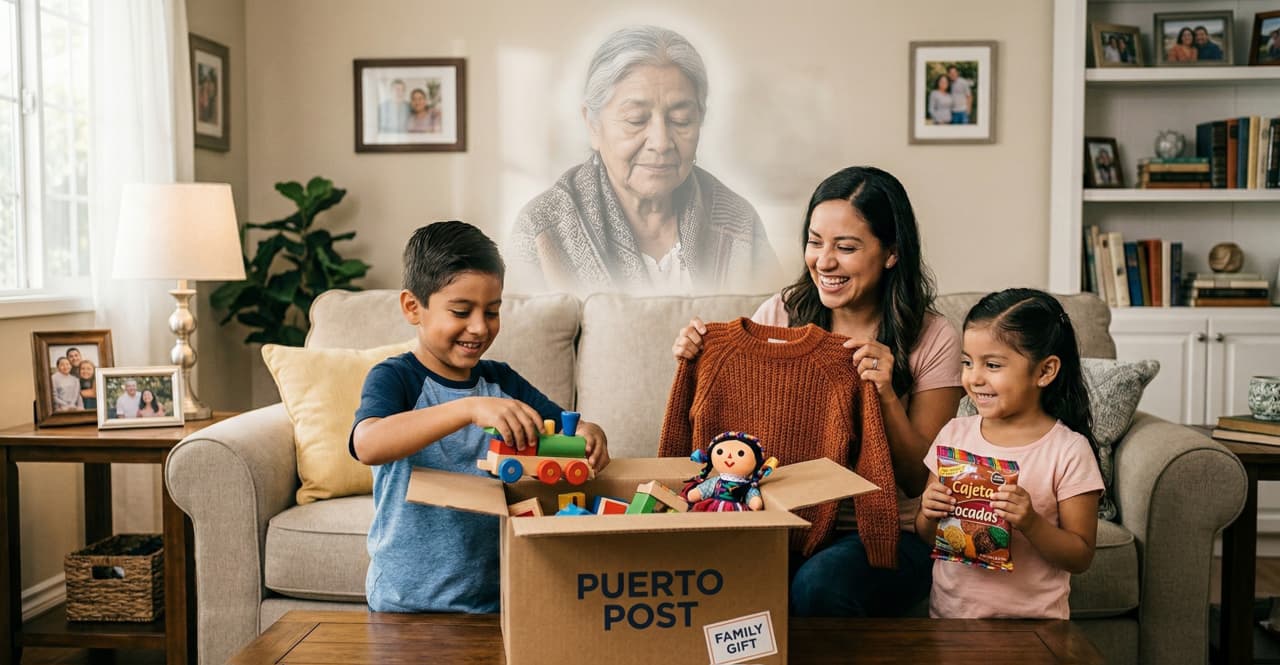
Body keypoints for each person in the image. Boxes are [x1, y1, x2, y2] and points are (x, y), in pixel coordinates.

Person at [670, 166, 964, 617]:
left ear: (891, 253)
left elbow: (916, 479)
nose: (824, 261)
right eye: (815, 241)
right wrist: (699, 358)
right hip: (786, 520)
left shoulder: (933, 336)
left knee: (817, 585)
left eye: (846, 247)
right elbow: (738, 446)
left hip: (887, 533)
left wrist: (884, 393)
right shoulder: (781, 315)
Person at [349, 220, 611, 613]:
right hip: (406, 601)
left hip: (494, 598)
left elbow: (564, 426)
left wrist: (591, 433)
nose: (479, 327)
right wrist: (467, 408)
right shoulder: (396, 378)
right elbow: (368, 444)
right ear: (412, 307)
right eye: (460, 310)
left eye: (491, 311)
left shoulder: (501, 381)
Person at [507, 25, 781, 297]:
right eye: (636, 119)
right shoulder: (541, 229)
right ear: (592, 125)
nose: (661, 142)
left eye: (680, 120)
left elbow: (780, 330)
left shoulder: (740, 224)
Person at [916, 288, 1103, 619]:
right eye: (967, 362)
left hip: (1034, 626)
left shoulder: (1069, 450)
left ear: (1045, 371)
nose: (974, 378)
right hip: (950, 619)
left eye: (992, 364)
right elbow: (930, 536)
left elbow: (1081, 556)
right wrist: (929, 514)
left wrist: (1031, 522)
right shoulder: (954, 434)